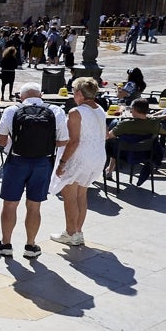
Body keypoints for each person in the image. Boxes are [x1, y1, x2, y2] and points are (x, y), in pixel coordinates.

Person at [0, 83, 68, 260]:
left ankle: (6, 244)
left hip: (16, 161)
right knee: (34, 205)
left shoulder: (12, 110)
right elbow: (63, 140)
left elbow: (1, 141)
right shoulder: (55, 111)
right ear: (40, 95)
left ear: (21, 97)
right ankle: (31, 245)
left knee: (10, 204)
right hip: (42, 163)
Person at [49, 78, 108, 247]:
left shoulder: (76, 112)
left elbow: (73, 141)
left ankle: (70, 232)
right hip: (97, 155)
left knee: (69, 196)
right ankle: (78, 232)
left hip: (81, 156)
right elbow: (105, 134)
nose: (73, 95)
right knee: (81, 194)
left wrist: (61, 163)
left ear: (80, 94)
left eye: (74, 92)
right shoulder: (100, 109)